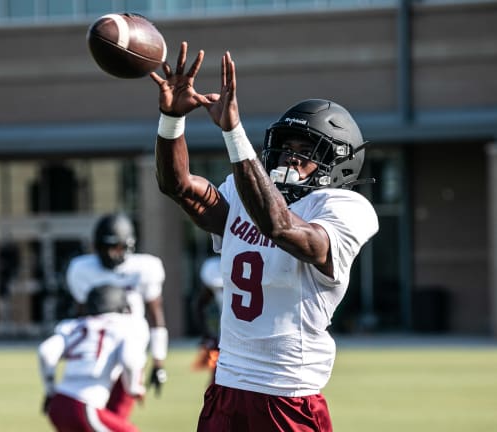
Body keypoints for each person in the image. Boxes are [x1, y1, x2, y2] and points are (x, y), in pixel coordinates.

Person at [150, 42, 379, 431]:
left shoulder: (345, 208)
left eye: (305, 150)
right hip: (227, 383)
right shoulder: (244, 193)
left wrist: (233, 133)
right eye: (285, 147)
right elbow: (180, 187)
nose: (290, 157)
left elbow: (282, 227)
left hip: (288, 392)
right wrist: (171, 121)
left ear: (338, 161)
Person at [65, 212, 168, 419]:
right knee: (92, 410)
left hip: (131, 348)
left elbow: (156, 315)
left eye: (117, 247)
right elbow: (81, 317)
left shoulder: (144, 268)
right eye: (106, 248)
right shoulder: (82, 269)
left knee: (116, 415)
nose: (112, 254)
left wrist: (159, 362)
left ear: (129, 246)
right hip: (99, 352)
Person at [38, 284, 148, 432]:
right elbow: (130, 359)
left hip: (58, 404)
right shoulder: (123, 325)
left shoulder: (73, 326)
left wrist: (50, 390)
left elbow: (46, 352)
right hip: (84, 406)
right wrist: (134, 387)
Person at [192, 256, 223, 377]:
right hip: (228, 343)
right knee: (219, 386)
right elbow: (199, 304)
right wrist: (207, 335)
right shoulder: (214, 268)